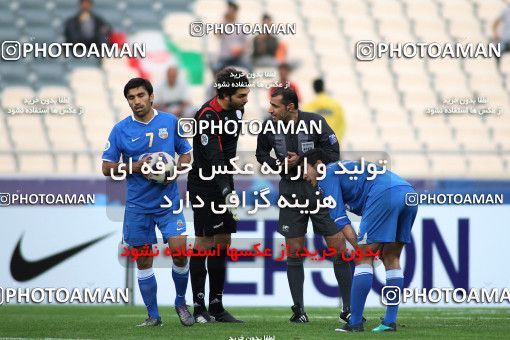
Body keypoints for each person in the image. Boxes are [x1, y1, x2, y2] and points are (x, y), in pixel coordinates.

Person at [255, 87, 354, 324]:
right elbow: (260, 154)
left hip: (319, 189)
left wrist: (304, 159)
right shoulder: (269, 126)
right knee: (294, 250)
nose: (270, 110)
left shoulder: (315, 122)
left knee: (338, 247)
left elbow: (333, 152)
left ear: (290, 107)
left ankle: (348, 308)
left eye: (275, 106)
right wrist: (278, 163)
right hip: (290, 190)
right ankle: (299, 310)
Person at [101, 78, 194, 327]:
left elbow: (186, 154)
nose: (136, 101)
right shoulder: (121, 130)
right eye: (131, 98)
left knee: (180, 253)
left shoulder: (170, 122)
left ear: (151, 96)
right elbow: (107, 168)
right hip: (138, 206)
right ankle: (153, 315)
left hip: (168, 202)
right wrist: (135, 166)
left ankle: (181, 302)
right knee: (143, 260)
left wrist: (176, 169)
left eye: (141, 95)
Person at [301, 148, 418, 333]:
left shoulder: (326, 175)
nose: (303, 175)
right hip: (408, 192)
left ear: (318, 165)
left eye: (304, 169)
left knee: (363, 259)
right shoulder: (343, 168)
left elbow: (341, 220)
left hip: (383, 193)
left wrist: (359, 248)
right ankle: (389, 322)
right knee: (392, 258)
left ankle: (354, 323)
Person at [188, 67, 250, 323]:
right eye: (242, 95)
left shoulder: (237, 111)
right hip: (205, 186)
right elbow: (214, 159)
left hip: (224, 181)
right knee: (204, 243)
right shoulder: (207, 116)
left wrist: (228, 187)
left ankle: (217, 306)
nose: (246, 99)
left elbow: (229, 152)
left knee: (223, 242)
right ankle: (199, 306)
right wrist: (225, 190)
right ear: (225, 94)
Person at [214, 1, 252, 72]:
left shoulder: (241, 27)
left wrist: (241, 50)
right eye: (229, 10)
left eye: (232, 11)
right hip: (224, 58)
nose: (231, 13)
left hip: (238, 58)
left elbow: (247, 43)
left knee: (249, 68)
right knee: (216, 68)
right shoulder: (223, 25)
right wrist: (224, 20)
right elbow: (216, 34)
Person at [493, 1, 510, 67]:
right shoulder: (506, 11)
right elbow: (495, 23)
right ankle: (497, 67)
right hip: (505, 40)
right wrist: (495, 34)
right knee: (497, 49)